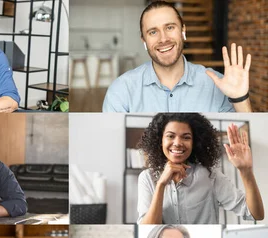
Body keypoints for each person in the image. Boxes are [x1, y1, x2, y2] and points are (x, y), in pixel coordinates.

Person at [103, 1, 252, 112]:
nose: (163, 39)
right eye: (153, 32)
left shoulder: (217, 85)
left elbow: (246, 145)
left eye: (170, 27)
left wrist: (240, 99)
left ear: (183, 31)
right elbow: (111, 147)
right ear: (144, 41)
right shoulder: (121, 90)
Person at [137, 113, 264, 224]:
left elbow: (255, 214)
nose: (177, 143)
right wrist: (161, 184)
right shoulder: (147, 178)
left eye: (186, 137)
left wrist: (245, 171)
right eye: (170, 136)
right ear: (160, 140)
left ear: (195, 143)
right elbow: (147, 228)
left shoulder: (210, 176)